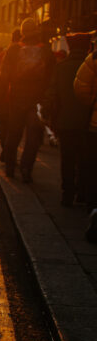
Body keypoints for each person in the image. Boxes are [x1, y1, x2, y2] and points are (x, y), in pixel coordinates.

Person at [0, 18, 55, 182]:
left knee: (13, 133)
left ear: (22, 32)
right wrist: (47, 100)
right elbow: (51, 79)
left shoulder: (13, 50)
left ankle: (9, 165)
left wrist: (0, 98)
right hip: (36, 100)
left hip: (16, 98)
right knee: (33, 136)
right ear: (36, 31)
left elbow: (4, 76)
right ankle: (26, 167)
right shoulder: (46, 51)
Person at [44, 33, 92, 206]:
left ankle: (67, 193)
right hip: (88, 124)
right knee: (86, 159)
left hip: (65, 122)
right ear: (87, 47)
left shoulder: (61, 68)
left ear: (70, 48)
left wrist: (47, 115)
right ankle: (83, 192)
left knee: (68, 159)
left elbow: (52, 94)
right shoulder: (92, 68)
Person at [73, 35, 97, 242]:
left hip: (95, 126)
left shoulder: (94, 58)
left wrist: (92, 103)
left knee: (91, 166)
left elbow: (80, 87)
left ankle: (93, 207)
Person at [0, 28, 22, 160]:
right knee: (15, 129)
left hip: (5, 98)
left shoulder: (4, 54)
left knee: (3, 126)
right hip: (20, 99)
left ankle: (6, 149)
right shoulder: (27, 54)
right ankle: (11, 153)